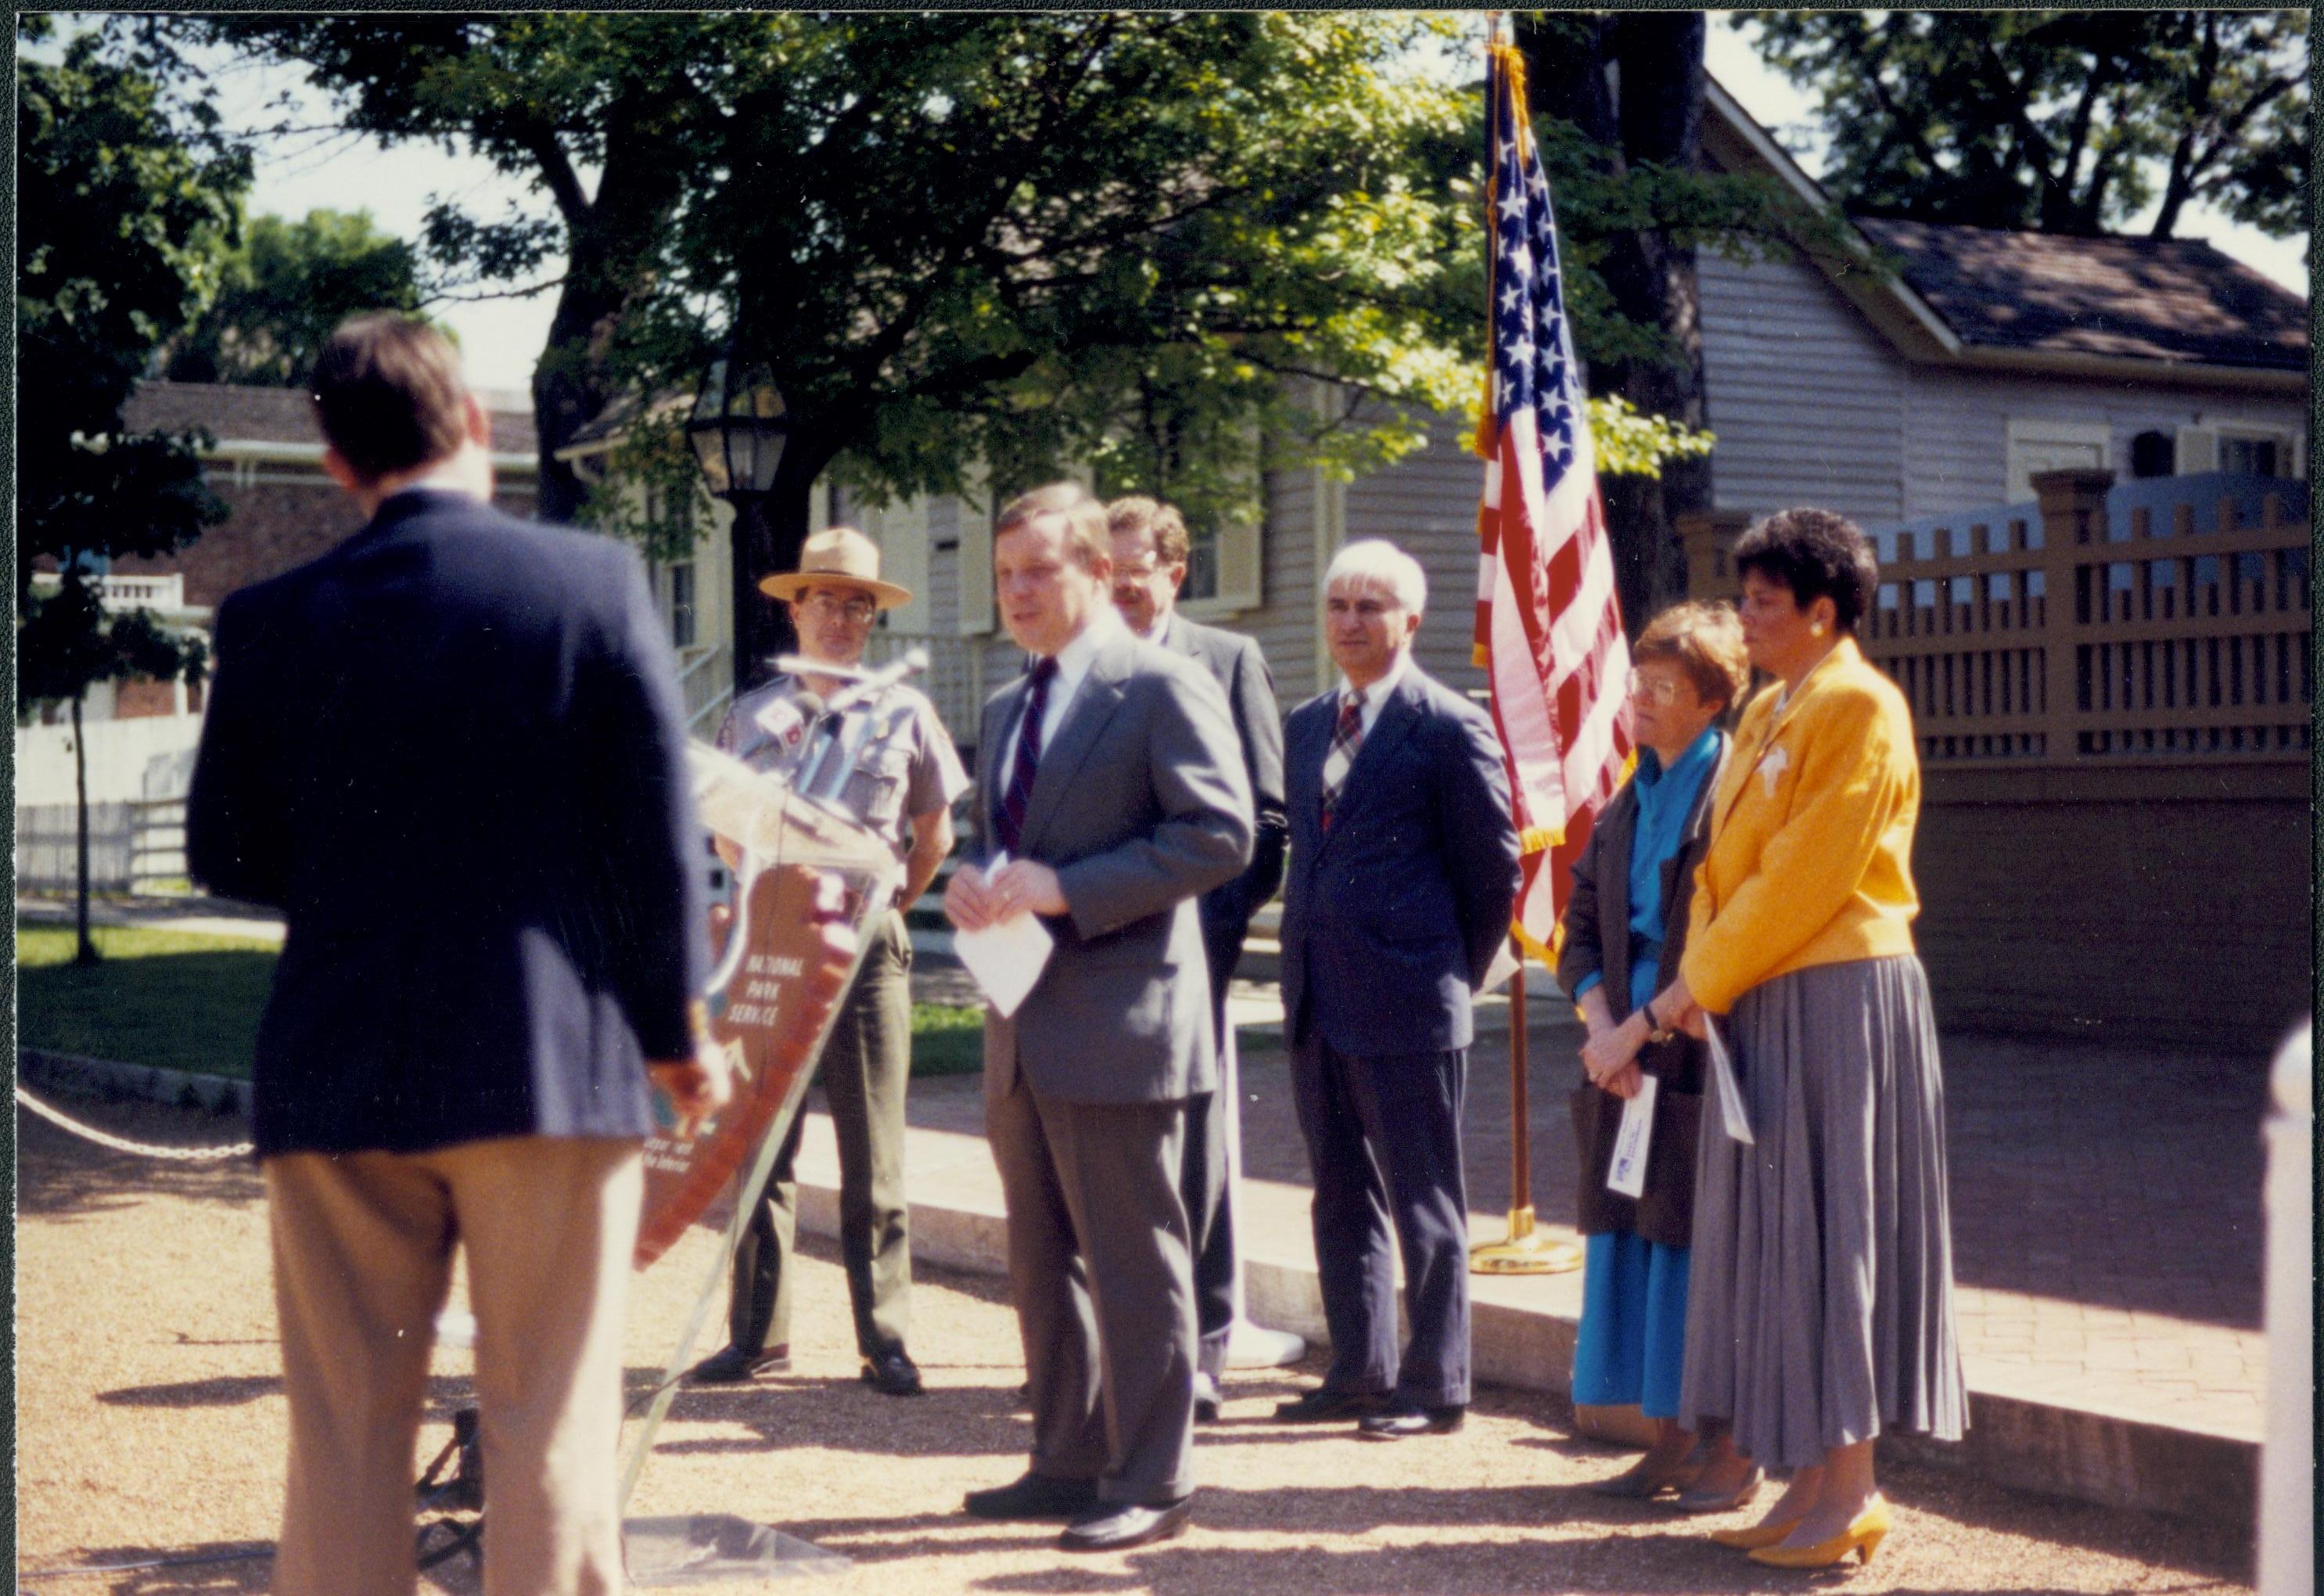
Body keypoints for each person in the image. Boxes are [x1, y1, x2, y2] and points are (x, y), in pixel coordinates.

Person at [186, 314, 730, 1596]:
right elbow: (655, 840)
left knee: (342, 1438)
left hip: (337, 1066)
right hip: (545, 1067)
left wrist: (361, 883)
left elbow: (224, 852)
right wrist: (675, 1030)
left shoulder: (266, 621)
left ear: (332, 460)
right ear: (477, 424)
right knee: (549, 1425)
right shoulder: (588, 587)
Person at [1646, 508, 1967, 1569]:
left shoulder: (1858, 706)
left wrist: (1697, 981)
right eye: (1741, 599)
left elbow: (1806, 874)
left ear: (1821, 613)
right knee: (1791, 1240)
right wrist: (1706, 979)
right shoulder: (1769, 710)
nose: (1742, 620)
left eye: (1762, 603)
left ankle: (1853, 1490)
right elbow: (1716, 865)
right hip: (1769, 992)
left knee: (1837, 1234)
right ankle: (1814, 1482)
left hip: (1838, 991)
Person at [943, 482, 1252, 1551]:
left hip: (1120, 1026)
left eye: (1037, 572)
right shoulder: (1003, 705)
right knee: (1041, 1262)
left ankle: (1154, 1478)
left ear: (1092, 574)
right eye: (1003, 576)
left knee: (1135, 1260)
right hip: (1021, 1024)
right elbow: (1002, 841)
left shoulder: (1157, 684)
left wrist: (1066, 888)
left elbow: (1218, 836)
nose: (1017, 593)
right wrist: (971, 878)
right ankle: (1067, 1459)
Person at [685, 527, 968, 1397]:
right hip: (775, 942)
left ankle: (883, 1337)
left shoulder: (904, 714)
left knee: (873, 1149)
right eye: (825, 601)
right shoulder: (751, 715)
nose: (840, 618)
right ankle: (757, 1337)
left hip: (866, 949)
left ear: (871, 620)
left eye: (857, 605)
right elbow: (727, 829)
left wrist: (884, 902)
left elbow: (935, 833)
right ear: (793, 607)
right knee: (761, 1145)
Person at [1273, 538, 1519, 1440]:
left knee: (1424, 1198)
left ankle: (1436, 1382)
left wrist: (1439, 967)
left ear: (1410, 620)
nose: (1349, 622)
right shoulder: (1304, 724)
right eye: (1338, 604)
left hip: (1409, 998)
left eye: (1369, 607)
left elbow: (1492, 873)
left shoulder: (1449, 725)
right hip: (1316, 998)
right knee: (1339, 1193)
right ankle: (1360, 1369)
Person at [1556, 602, 1756, 1508]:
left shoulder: (1731, 795)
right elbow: (1579, 927)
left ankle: (1715, 1444)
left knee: (1691, 1244)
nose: (1636, 700)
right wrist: (1602, 1027)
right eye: (1635, 683)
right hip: (1622, 1051)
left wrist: (1642, 1032)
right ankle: (1665, 1439)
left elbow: (1720, 939)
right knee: (1635, 1238)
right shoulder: (1625, 798)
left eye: (1660, 687)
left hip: (1694, 1047)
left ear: (1710, 700)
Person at [1106, 494, 1288, 1422]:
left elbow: (1264, 818)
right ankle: (1114, 1350)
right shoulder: (1071, 667)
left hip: (1189, 956)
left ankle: (1207, 1345)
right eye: (1105, 566)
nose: (1120, 583)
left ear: (1175, 571)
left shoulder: (1225, 661)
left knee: (1196, 1156)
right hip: (1091, 960)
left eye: (1135, 566)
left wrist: (1205, 933)